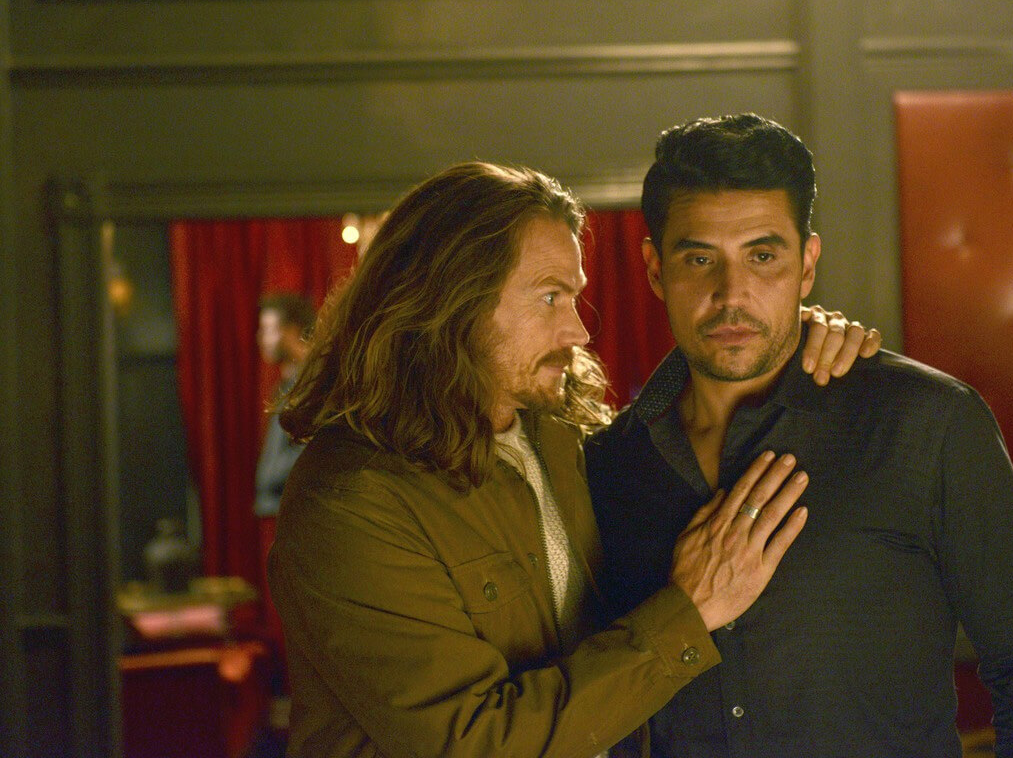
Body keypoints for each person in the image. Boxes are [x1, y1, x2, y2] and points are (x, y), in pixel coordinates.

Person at [266, 162, 874, 758]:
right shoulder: (351, 500)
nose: (578, 331)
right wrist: (688, 614)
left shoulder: (562, 431)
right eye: (550, 297)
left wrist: (785, 338)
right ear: (451, 301)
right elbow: (476, 742)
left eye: (574, 297)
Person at [586, 114, 1013, 757]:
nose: (732, 294)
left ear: (807, 265)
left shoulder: (926, 425)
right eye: (699, 259)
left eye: (763, 256)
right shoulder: (609, 464)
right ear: (655, 269)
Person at [254, 292, 316, 517]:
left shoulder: (311, 382)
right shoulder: (287, 384)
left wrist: (269, 476)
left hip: (305, 511)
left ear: (291, 330)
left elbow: (311, 448)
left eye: (269, 330)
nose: (261, 338)